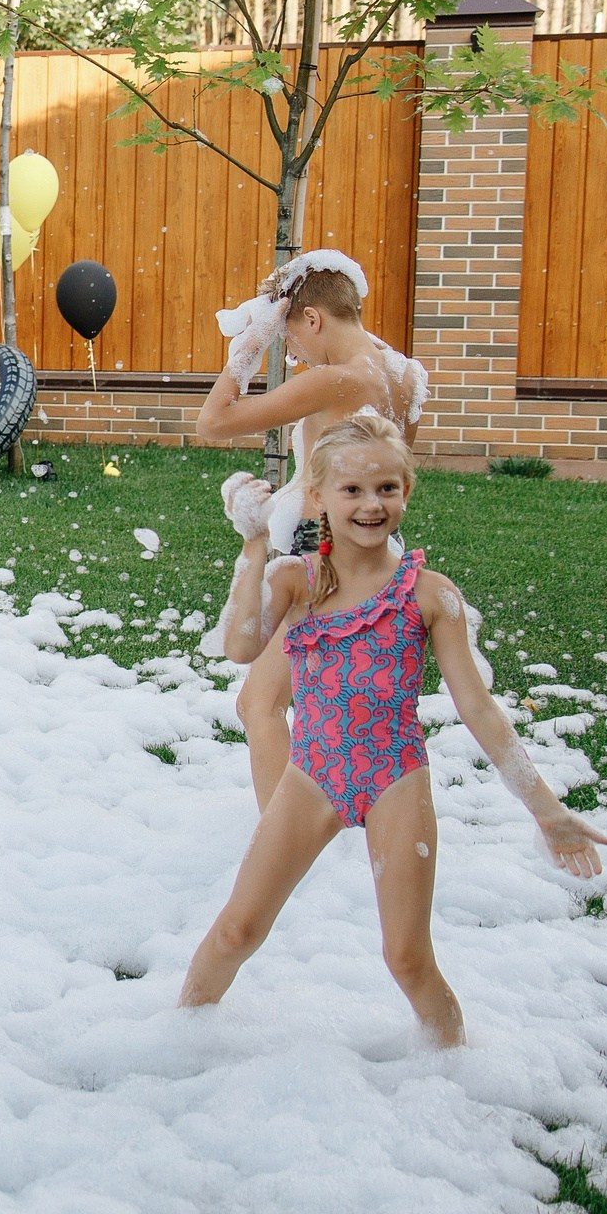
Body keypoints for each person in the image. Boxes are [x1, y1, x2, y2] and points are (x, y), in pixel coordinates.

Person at [178, 412, 607, 1046]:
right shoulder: (296, 582)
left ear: (407, 491)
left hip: (394, 777)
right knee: (237, 931)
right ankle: (179, 1038)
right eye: (352, 491)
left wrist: (546, 808)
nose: (371, 505)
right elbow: (242, 647)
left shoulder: (429, 594)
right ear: (318, 498)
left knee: (407, 959)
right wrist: (251, 545)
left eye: (387, 489)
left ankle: (454, 1066)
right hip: (313, 776)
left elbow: (479, 708)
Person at [197, 252, 428, 809]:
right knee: (323, 705)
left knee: (259, 703)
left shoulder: (338, 380)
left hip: (319, 557)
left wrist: (249, 346)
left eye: (291, 336)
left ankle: (283, 843)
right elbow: (380, 472)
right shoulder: (403, 375)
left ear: (314, 319)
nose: (292, 351)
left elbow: (213, 422)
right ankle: (337, 813)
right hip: (371, 554)